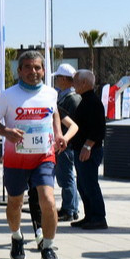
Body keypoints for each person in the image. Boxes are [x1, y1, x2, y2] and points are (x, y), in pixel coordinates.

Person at [0, 50, 78, 259]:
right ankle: (17, 237)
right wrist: (6, 131)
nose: (33, 71)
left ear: (43, 70)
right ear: (19, 70)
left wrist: (59, 134)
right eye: (27, 67)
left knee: (48, 200)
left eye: (37, 67)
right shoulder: (8, 95)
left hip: (44, 156)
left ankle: (48, 248)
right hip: (16, 160)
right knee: (15, 203)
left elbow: (54, 113)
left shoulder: (50, 93)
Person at [69, 69, 108, 230]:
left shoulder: (93, 102)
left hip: (89, 150)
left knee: (90, 184)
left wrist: (87, 146)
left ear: (84, 83)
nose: (73, 84)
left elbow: (99, 129)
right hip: (81, 149)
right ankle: (90, 216)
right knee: (83, 184)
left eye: (75, 81)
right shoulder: (85, 100)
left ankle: (99, 217)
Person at [52, 63, 81, 222]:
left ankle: (69, 209)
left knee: (66, 177)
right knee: (67, 177)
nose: (56, 80)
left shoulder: (71, 99)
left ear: (64, 79)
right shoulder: (70, 97)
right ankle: (72, 208)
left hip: (66, 145)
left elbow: (72, 123)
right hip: (67, 144)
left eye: (57, 77)